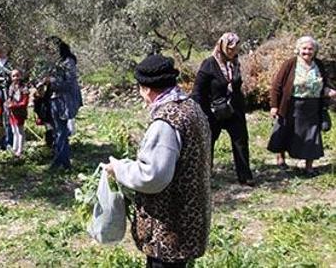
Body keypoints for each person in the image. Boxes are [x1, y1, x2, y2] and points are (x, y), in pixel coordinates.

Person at [105, 54, 212, 268]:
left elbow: (152, 176)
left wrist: (119, 169)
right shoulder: (191, 108)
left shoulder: (165, 122)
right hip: (190, 220)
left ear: (146, 89)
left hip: (169, 229)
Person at [268, 36, 336, 176]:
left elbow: (323, 84)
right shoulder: (290, 64)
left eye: (311, 49)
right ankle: (281, 159)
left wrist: (329, 91)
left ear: (315, 50)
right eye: (304, 48)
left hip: (312, 106)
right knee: (285, 130)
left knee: (312, 134)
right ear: (298, 49)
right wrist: (274, 105)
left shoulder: (318, 64)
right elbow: (277, 85)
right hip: (292, 104)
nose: (307, 51)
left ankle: (309, 167)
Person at [192, 32, 254, 186]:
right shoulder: (209, 64)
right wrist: (203, 113)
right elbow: (198, 91)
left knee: (241, 141)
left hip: (234, 109)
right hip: (214, 112)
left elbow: (237, 84)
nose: (234, 52)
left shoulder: (235, 63)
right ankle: (205, 177)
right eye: (231, 49)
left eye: (236, 49)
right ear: (222, 46)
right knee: (208, 143)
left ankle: (245, 176)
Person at [46, 37, 82, 170]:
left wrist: (52, 81)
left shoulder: (68, 61)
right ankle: (64, 163)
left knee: (61, 132)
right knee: (58, 131)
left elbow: (69, 82)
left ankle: (59, 163)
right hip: (55, 100)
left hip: (64, 101)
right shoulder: (55, 62)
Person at [7, 69, 29, 158]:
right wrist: (8, 104)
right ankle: (14, 148)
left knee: (20, 131)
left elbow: (24, 102)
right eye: (13, 76)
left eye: (17, 75)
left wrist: (13, 106)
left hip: (20, 112)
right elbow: (9, 99)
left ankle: (20, 150)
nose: (15, 78)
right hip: (12, 113)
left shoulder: (24, 87)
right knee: (14, 131)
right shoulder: (11, 87)